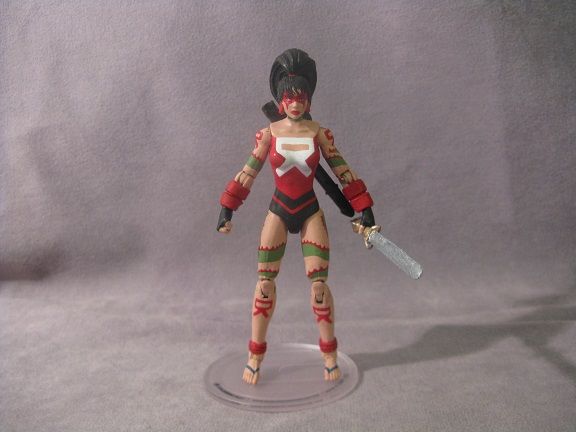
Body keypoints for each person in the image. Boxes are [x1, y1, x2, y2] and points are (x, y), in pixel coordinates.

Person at [217, 49, 375, 385]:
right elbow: (248, 172)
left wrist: (364, 205)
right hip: (279, 209)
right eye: (289, 96)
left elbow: (343, 171)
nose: (295, 102)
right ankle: (254, 356)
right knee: (264, 286)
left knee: (319, 286)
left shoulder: (319, 133)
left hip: (309, 210)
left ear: (309, 98)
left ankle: (329, 356)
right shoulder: (269, 134)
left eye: (301, 96)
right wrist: (228, 205)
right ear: (280, 99)